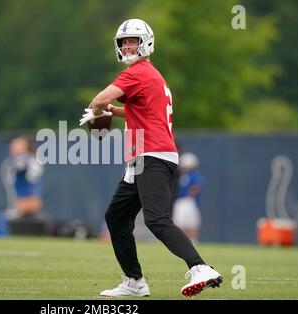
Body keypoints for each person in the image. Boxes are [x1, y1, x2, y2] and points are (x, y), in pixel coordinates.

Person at [79, 18, 222, 298]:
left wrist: (98, 109)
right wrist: (111, 111)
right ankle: (134, 281)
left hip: (152, 153)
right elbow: (138, 110)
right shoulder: (149, 75)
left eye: (133, 40)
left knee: (156, 219)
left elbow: (98, 99)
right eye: (124, 42)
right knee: (117, 217)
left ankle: (200, 267)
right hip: (144, 156)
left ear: (146, 43)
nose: (128, 46)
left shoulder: (137, 72)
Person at [172, 152, 204, 243]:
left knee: (192, 223)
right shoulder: (180, 176)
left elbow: (196, 187)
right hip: (181, 201)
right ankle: (180, 241)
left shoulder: (193, 176)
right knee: (179, 223)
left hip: (188, 201)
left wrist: (190, 194)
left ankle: (192, 241)